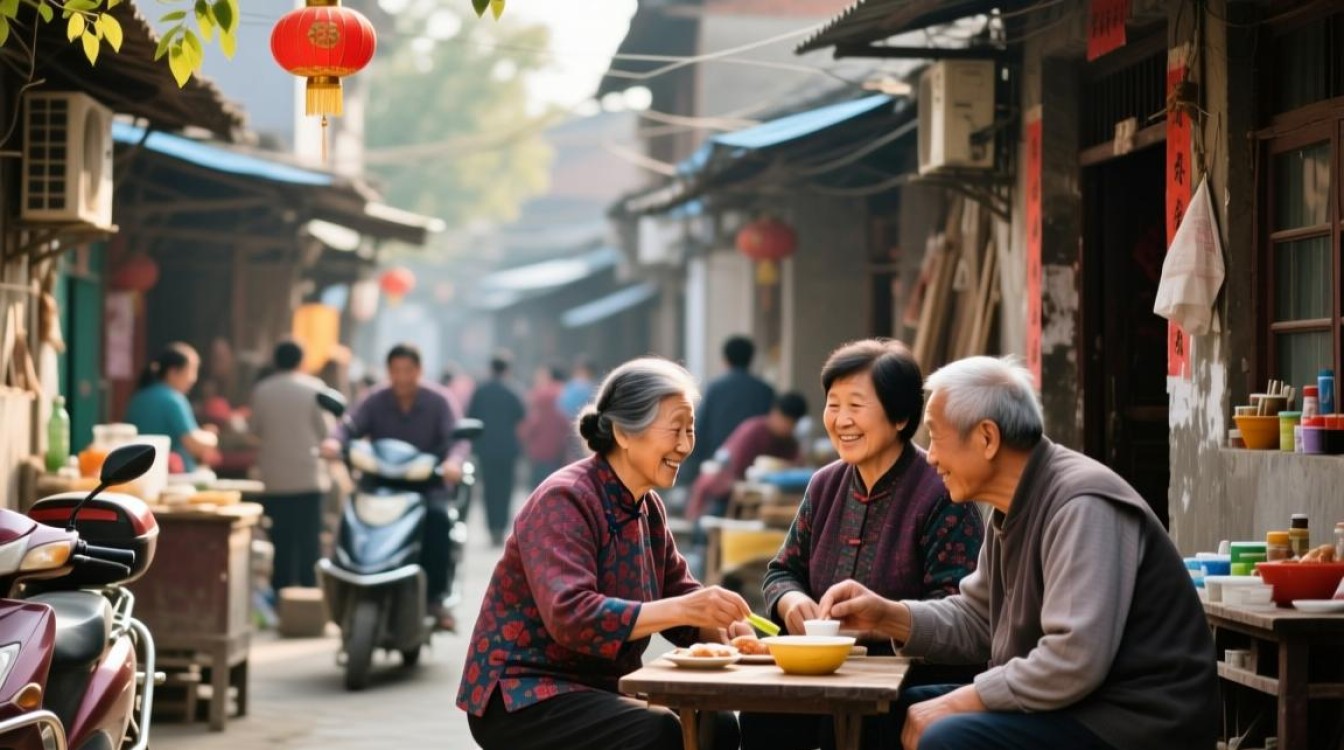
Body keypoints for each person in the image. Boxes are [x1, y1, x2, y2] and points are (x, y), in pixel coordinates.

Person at [818, 356, 1218, 750]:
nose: (932, 456)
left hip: (1131, 720)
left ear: (987, 438)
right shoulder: (1012, 506)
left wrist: (959, 701)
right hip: (1072, 706)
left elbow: (1072, 659)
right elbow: (978, 619)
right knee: (887, 711)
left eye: (936, 437)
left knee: (944, 735)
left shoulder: (1081, 503)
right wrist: (889, 616)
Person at [457, 357, 753, 750]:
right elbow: (571, 615)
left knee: (718, 727)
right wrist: (687, 608)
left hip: (601, 688)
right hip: (523, 692)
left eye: (690, 430)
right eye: (674, 430)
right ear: (624, 433)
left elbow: (680, 595)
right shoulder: (565, 498)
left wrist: (730, 629)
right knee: (660, 732)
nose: (684, 445)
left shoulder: (647, 507)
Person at [739, 340, 985, 750]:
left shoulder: (941, 489)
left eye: (856, 405)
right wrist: (792, 602)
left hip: (908, 681)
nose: (841, 420)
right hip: (822, 674)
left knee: (870, 725)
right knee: (764, 713)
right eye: (833, 405)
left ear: (901, 416)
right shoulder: (825, 484)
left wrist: (885, 620)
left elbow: (960, 606)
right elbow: (782, 571)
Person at [321, 343, 470, 631]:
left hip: (426, 488)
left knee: (439, 521)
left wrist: (454, 462)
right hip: (378, 485)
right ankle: (343, 582)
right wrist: (333, 441)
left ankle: (435, 600)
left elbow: (458, 439)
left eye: (408, 370)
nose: (402, 377)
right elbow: (349, 426)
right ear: (388, 371)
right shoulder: (376, 399)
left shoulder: (440, 401)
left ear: (420, 371)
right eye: (396, 371)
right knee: (349, 516)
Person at [250, 341, 331, 592]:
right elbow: (326, 431)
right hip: (308, 477)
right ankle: (308, 598)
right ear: (302, 361)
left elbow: (255, 430)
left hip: (276, 479)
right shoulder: (315, 388)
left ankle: (281, 597)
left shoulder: (262, 390)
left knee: (281, 543)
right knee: (309, 543)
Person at [684, 390, 809, 522]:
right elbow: (736, 470)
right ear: (775, 413)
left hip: (759, 498)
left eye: (792, 424)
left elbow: (796, 469)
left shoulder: (790, 443)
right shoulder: (753, 431)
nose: (787, 428)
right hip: (720, 493)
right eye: (785, 421)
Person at [683, 335, 775, 483]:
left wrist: (691, 465)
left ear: (725, 359)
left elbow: (700, 428)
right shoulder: (765, 390)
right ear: (751, 359)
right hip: (755, 468)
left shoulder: (715, 388)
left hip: (718, 465)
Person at [125, 342, 218, 472]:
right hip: (172, 476)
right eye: (191, 370)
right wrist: (211, 437)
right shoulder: (172, 399)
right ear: (173, 372)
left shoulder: (138, 397)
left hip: (141, 473)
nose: (194, 378)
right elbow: (194, 444)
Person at [467, 352, 527, 546]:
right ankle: (501, 527)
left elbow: (471, 415)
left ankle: (492, 526)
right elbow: (521, 415)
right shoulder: (513, 391)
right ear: (507, 369)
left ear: (491, 368)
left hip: (485, 447)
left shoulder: (481, 390)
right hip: (508, 448)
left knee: (489, 490)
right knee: (506, 489)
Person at [519, 362, 571, 489]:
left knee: (538, 489)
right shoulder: (564, 394)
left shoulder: (539, 397)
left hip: (539, 453)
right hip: (559, 453)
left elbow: (531, 426)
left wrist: (523, 435)